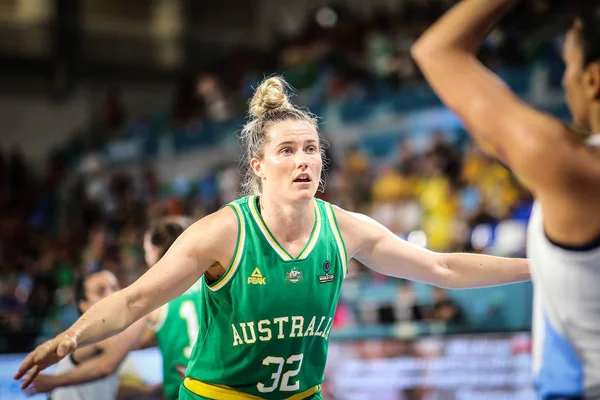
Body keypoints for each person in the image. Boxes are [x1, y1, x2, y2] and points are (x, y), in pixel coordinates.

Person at [15, 76, 530, 400]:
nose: (305, 159)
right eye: (288, 150)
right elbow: (135, 299)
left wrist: (534, 267)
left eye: (312, 148)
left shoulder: (343, 227)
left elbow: (440, 268)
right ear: (258, 166)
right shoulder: (221, 233)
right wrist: (70, 336)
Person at [411, 1, 600, 398]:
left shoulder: (573, 170)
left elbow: (437, 50)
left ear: (593, 79)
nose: (563, 81)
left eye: (567, 65)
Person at [23, 264, 159, 399]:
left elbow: (107, 389)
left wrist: (147, 392)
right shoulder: (91, 340)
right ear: (84, 305)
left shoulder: (115, 341)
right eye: (101, 291)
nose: (112, 295)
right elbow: (107, 366)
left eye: (115, 288)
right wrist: (145, 308)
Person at [139, 216, 205, 400]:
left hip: (183, 388)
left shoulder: (155, 295)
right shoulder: (210, 281)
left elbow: (134, 341)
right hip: (218, 384)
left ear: (154, 251)